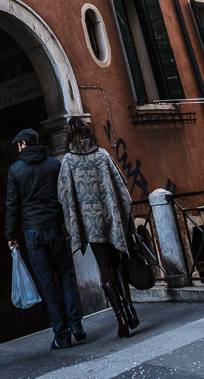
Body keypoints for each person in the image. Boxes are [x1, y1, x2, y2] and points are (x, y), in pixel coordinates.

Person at [57, 117, 138, 338]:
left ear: (69, 136)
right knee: (118, 264)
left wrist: (76, 222)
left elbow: (63, 196)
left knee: (104, 270)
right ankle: (130, 308)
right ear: (87, 132)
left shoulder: (68, 162)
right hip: (111, 220)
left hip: (90, 226)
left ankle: (120, 318)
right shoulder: (102, 155)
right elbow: (121, 186)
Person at [5, 128, 84, 350]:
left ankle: (62, 335)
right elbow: (64, 197)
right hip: (55, 228)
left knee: (46, 283)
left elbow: (12, 205)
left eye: (17, 145)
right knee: (66, 274)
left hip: (32, 232)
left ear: (22, 144)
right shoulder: (54, 165)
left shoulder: (15, 170)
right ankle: (76, 325)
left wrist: (10, 236)